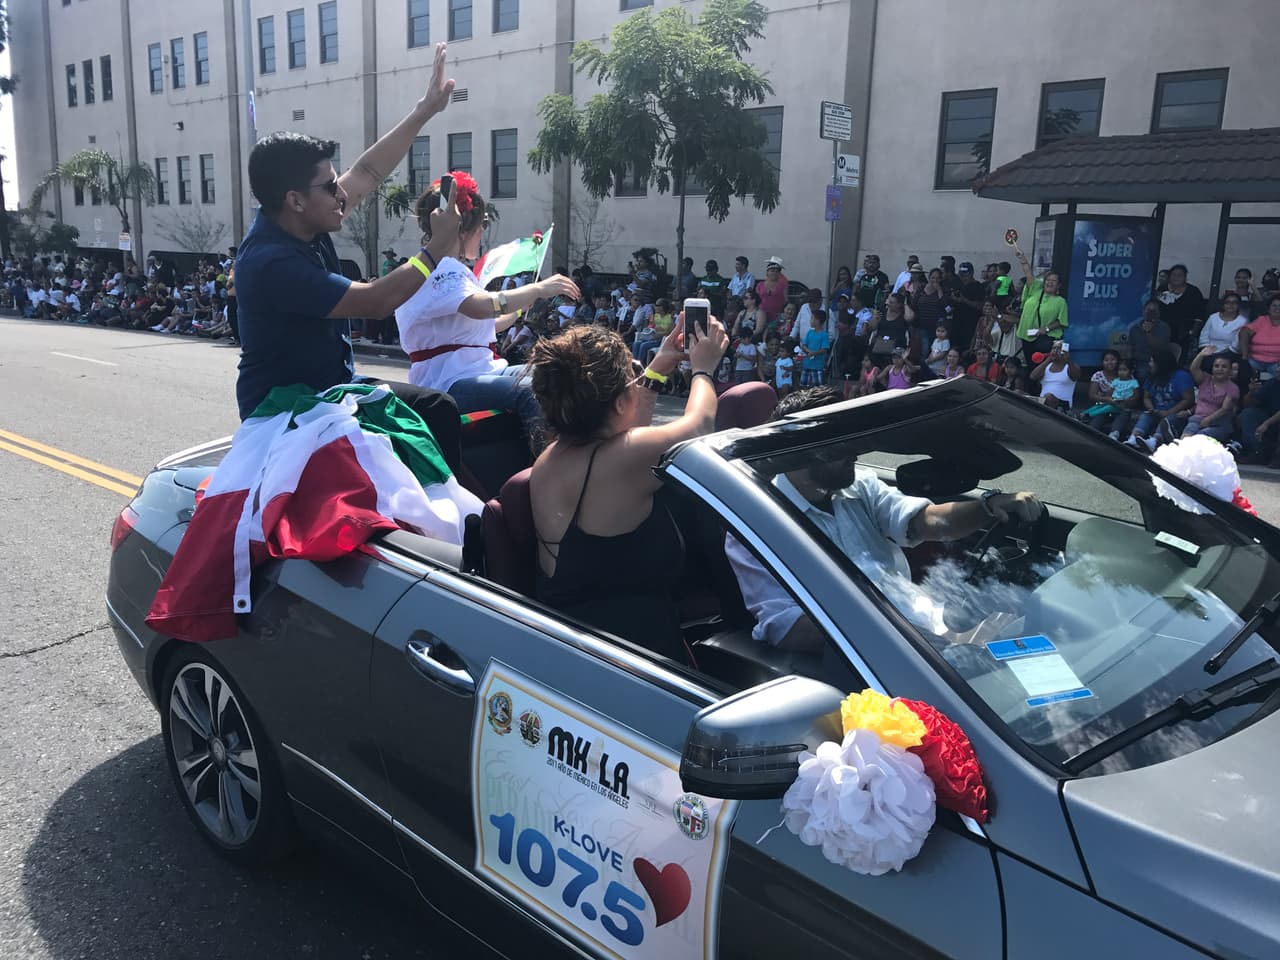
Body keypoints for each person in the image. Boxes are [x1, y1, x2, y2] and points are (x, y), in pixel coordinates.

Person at [233, 44, 465, 468]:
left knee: (437, 409)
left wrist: (425, 110)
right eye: (330, 186)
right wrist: (436, 248)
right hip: (287, 412)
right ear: (295, 200)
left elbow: (369, 172)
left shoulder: (309, 218)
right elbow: (375, 301)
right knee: (385, 457)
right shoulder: (270, 263)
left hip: (333, 392)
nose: (343, 193)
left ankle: (442, 515)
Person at [724, 387, 1045, 651]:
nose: (854, 451)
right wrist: (903, 634)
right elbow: (789, 629)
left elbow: (927, 521)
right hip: (879, 660)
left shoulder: (860, 486)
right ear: (793, 454)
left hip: (933, 633)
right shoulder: (755, 523)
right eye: (836, 445)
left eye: (852, 440)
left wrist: (989, 506)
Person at [528, 315, 729, 659]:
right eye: (632, 377)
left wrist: (657, 369)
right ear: (620, 401)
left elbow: (625, 435)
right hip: (633, 660)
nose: (638, 384)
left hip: (583, 650)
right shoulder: (621, 461)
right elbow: (699, 427)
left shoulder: (554, 457)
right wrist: (703, 370)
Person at [393, 173, 578, 453]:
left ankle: (581, 455)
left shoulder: (454, 271)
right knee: (531, 391)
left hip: (479, 371)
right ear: (461, 228)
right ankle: (549, 472)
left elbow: (488, 322)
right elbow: (480, 306)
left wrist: (519, 309)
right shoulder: (437, 270)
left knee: (559, 372)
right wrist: (538, 289)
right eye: (482, 225)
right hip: (449, 382)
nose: (483, 233)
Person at [1123, 350, 1195, 452]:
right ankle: (1133, 438)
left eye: (1152, 361)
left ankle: (1154, 442)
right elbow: (1146, 397)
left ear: (1161, 363)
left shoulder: (1181, 376)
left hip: (1176, 413)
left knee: (1167, 420)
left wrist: (1169, 412)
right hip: (1157, 411)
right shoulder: (1152, 376)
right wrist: (1151, 408)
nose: (1149, 364)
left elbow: (1188, 400)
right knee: (1145, 415)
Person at [1012, 243, 1068, 363]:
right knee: (1028, 365)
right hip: (1026, 336)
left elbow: (1061, 321)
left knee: (1040, 367)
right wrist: (1022, 257)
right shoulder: (1036, 289)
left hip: (1043, 339)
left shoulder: (1060, 301)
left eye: (1053, 281)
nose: (1049, 283)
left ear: (1058, 285)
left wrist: (1046, 329)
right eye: (1048, 280)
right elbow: (1027, 271)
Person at [1183, 347, 1240, 443]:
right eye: (1216, 366)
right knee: (1186, 437)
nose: (1219, 369)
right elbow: (1194, 369)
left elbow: (1225, 409)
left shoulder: (1233, 388)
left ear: (1230, 371)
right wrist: (1201, 355)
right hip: (1197, 419)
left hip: (1219, 424)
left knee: (1200, 438)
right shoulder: (1205, 379)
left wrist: (1208, 420)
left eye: (1224, 367)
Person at [1160, 264, 1207, 350]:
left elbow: (1200, 314)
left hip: (1184, 332)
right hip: (1163, 331)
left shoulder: (1193, 292)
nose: (1176, 278)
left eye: (1179, 275)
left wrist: (1193, 332)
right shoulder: (1162, 289)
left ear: (1185, 277)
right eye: (1174, 275)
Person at [1030, 341, 1080, 412]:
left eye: (1059, 348)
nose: (1055, 351)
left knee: (1048, 397)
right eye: (1053, 348)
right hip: (1043, 401)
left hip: (1063, 405)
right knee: (1018, 393)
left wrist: (1068, 360)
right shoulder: (1046, 366)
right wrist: (1048, 359)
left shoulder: (1070, 367)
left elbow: (1076, 376)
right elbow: (1033, 377)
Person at [1238, 294, 1280, 377]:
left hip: (1277, 363)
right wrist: (1245, 356)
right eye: (1274, 306)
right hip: (1255, 360)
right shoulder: (1262, 320)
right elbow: (1244, 332)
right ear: (1268, 309)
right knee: (1240, 369)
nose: (1277, 308)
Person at [1127, 300, 1172, 368]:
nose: (1150, 314)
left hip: (1157, 363)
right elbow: (1130, 349)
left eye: (1153, 311)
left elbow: (1160, 349)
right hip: (1137, 362)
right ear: (1143, 311)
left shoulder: (1164, 327)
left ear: (1158, 313)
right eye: (1148, 310)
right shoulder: (1134, 328)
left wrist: (1148, 332)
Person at [801, 310, 831, 387]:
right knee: (804, 385)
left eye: (812, 318)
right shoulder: (809, 332)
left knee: (818, 387)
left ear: (817, 321)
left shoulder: (824, 335)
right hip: (807, 364)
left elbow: (824, 349)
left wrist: (814, 353)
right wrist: (809, 351)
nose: (810, 320)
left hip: (817, 365)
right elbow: (804, 345)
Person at [755, 257, 789, 324]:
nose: (774, 273)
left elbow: (786, 301)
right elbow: (755, 301)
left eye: (777, 271)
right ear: (767, 272)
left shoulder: (783, 285)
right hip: (761, 316)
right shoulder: (760, 285)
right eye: (772, 270)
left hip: (777, 317)